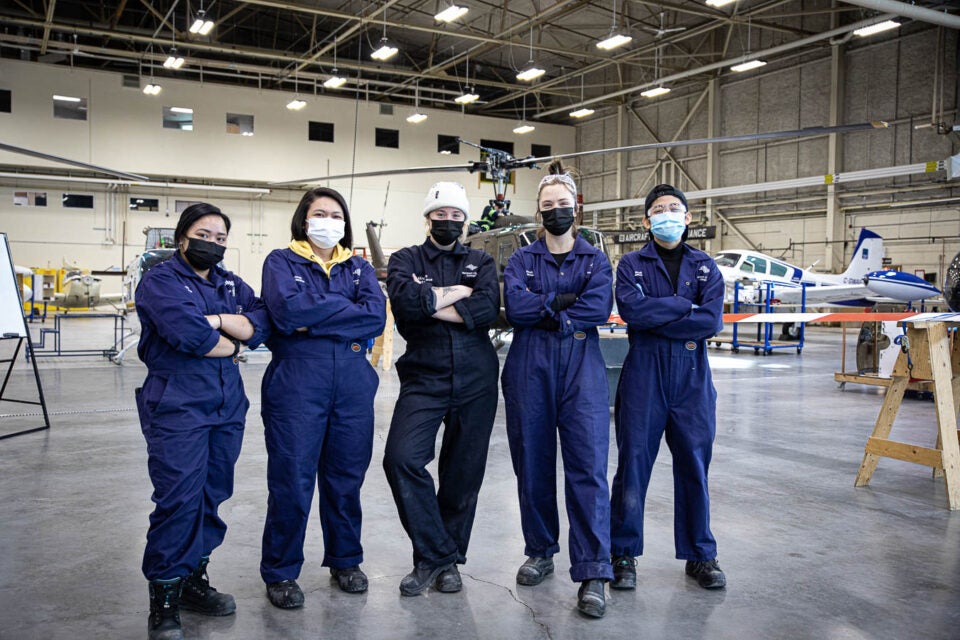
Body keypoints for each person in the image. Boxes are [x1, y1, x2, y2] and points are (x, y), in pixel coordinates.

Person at [135, 203, 269, 640]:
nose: (212, 243)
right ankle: (165, 596)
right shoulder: (160, 281)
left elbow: (263, 321)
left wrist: (221, 323)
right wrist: (233, 345)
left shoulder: (231, 283)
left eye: (220, 237)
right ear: (181, 238)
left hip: (227, 405)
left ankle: (194, 580)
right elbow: (191, 337)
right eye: (203, 234)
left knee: (213, 495)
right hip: (178, 404)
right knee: (178, 499)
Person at [259, 187, 387, 608]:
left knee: (346, 478)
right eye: (319, 213)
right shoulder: (281, 262)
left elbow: (374, 314)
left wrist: (314, 316)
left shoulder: (357, 267)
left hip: (351, 380)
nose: (328, 221)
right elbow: (287, 312)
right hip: (298, 380)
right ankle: (280, 571)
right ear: (304, 219)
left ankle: (345, 559)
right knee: (292, 480)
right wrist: (338, 314)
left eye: (336, 215)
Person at [501, 161, 614, 618]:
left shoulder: (596, 259)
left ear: (576, 209)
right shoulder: (521, 258)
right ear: (537, 212)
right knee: (532, 461)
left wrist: (549, 309)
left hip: (581, 365)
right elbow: (516, 306)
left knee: (587, 466)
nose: (555, 212)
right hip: (529, 364)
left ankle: (593, 570)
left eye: (562, 205)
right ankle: (541, 549)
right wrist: (564, 304)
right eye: (547, 206)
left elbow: (599, 305)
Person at [382, 181, 500, 596]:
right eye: (440, 214)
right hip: (424, 375)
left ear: (465, 220)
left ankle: (444, 562)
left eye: (456, 215)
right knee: (401, 458)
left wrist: (431, 300)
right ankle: (438, 554)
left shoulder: (481, 260)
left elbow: (488, 309)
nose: (448, 221)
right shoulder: (405, 258)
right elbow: (406, 307)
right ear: (428, 217)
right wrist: (458, 298)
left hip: (477, 377)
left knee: (462, 472)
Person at [609, 183, 727, 591]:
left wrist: (661, 315)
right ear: (646, 220)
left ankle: (701, 554)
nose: (667, 213)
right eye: (659, 209)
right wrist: (683, 306)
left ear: (689, 217)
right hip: (645, 373)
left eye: (675, 208)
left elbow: (710, 322)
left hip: (692, 377)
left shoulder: (707, 267)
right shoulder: (630, 265)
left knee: (694, 465)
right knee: (633, 466)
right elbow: (632, 312)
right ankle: (623, 553)